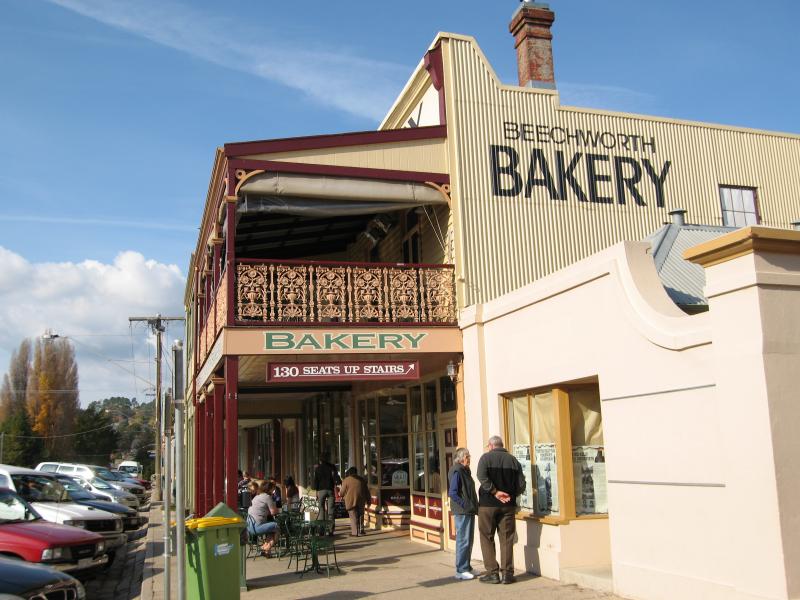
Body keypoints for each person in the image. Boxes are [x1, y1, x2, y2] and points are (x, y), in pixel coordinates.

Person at [476, 435, 526, 585]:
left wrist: (494, 492)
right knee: (506, 538)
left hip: (487, 504)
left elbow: (481, 476)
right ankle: (507, 574)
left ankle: (492, 573)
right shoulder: (513, 460)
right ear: (501, 445)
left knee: (486, 536)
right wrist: (510, 495)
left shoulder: (485, 458)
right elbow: (522, 484)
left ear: (491, 446)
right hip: (507, 505)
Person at [448, 447, 478, 581]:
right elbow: (453, 493)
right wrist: (465, 504)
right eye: (467, 457)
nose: (469, 459)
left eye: (469, 456)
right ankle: (461, 570)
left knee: (469, 540)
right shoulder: (457, 470)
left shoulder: (465, 471)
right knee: (463, 540)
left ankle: (467, 566)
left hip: (469, 510)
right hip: (463, 511)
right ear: (461, 458)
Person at [247, 480, 280, 554]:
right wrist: (278, 510)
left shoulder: (257, 496)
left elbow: (261, 510)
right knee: (277, 526)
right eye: (272, 489)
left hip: (249, 526)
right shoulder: (267, 497)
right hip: (257, 527)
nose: (273, 490)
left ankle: (266, 549)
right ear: (269, 489)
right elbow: (273, 512)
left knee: (271, 529)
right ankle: (267, 547)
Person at [313, 451, 341, 534]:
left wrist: (316, 491)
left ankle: (321, 529)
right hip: (330, 489)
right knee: (331, 510)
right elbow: (336, 478)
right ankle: (330, 530)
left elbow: (316, 481)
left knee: (321, 509)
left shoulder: (318, 468)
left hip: (321, 490)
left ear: (320, 459)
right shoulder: (332, 467)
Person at [340, 467, 371, 537]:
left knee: (353, 516)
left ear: (349, 473)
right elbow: (367, 491)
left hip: (350, 500)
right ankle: (361, 530)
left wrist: (342, 495)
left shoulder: (346, 480)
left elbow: (341, 492)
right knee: (361, 515)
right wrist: (369, 501)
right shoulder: (362, 480)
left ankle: (355, 532)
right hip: (361, 500)